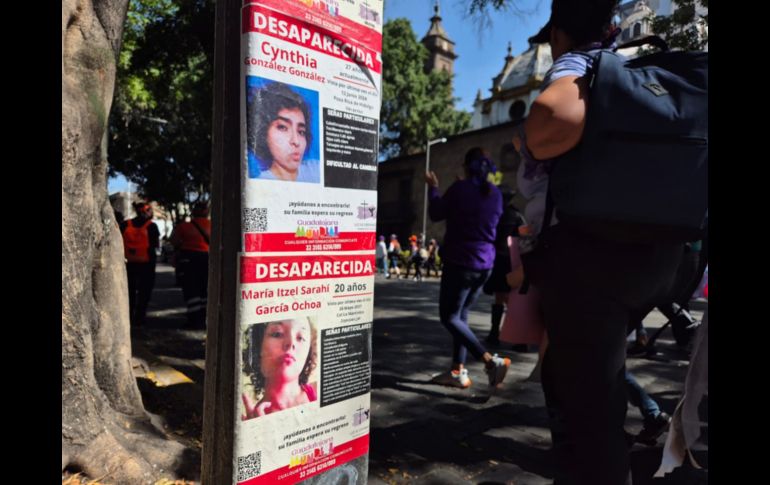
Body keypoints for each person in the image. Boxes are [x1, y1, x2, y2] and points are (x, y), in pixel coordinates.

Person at [519, 1, 684, 483]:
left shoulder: (578, 63)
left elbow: (551, 118)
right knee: (598, 387)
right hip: (660, 255)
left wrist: (529, 145)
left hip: (592, 257)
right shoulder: (640, 64)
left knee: (586, 412)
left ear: (558, 34)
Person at [425, 147, 510, 389]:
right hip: (485, 263)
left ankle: (489, 360)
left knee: (449, 316)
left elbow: (436, 213)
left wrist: (433, 187)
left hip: (461, 261)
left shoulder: (460, 189)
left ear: (466, 166)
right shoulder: (495, 193)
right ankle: (457, 371)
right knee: (460, 316)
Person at [241, 318, 318, 419]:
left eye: (300, 338)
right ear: (258, 346)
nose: (290, 343)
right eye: (277, 334)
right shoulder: (255, 419)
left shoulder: (320, 391)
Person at [247, 81, 320, 183]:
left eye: (301, 132)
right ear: (263, 133)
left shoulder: (316, 170)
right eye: (282, 127)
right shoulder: (262, 182)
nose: (296, 141)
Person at [482, 185, 527, 347]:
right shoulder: (517, 215)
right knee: (511, 299)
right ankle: (519, 338)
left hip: (497, 259)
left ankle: (495, 334)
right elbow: (526, 237)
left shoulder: (493, 214)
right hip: (512, 260)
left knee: (500, 297)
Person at [170, 202, 211, 329]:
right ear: (206, 211)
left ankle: (194, 320)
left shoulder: (183, 226)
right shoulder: (213, 225)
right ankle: (205, 318)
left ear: (194, 212)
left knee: (191, 290)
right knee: (204, 289)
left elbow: (174, 241)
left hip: (188, 260)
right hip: (207, 259)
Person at [120, 202, 160, 327]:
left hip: (129, 263)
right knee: (144, 292)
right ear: (146, 211)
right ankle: (140, 317)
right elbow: (155, 245)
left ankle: (129, 316)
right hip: (147, 265)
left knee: (129, 291)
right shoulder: (152, 226)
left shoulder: (125, 224)